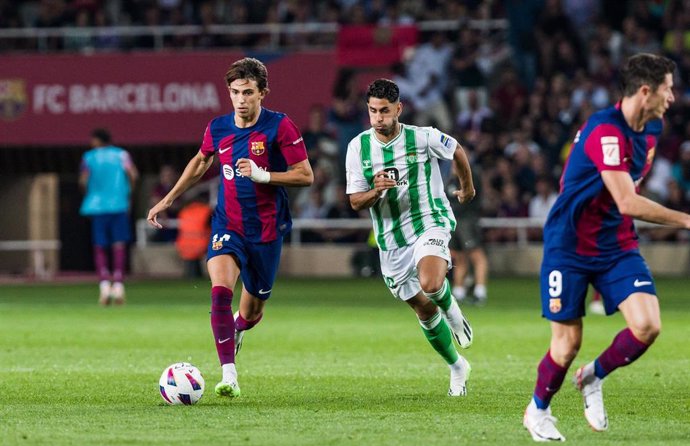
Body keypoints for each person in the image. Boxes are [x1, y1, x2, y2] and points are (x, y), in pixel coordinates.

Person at [523, 53, 690, 442]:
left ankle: (593, 376)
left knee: (648, 325)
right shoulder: (606, 131)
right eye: (667, 89)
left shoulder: (652, 128)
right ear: (646, 90)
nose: (672, 97)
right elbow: (628, 201)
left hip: (615, 242)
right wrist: (685, 219)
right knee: (566, 345)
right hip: (569, 243)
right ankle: (538, 411)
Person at [147, 57, 313, 398]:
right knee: (220, 290)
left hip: (266, 229)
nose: (241, 99)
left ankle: (239, 327)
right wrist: (169, 199)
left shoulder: (280, 127)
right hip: (228, 225)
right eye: (235, 92)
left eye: (248, 92)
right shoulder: (217, 128)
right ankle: (230, 374)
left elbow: (305, 175)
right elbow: (200, 162)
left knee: (252, 311)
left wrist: (263, 175)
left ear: (263, 93)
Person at [345, 79, 475, 396]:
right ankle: (457, 366)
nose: (379, 117)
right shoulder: (357, 148)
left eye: (385, 111)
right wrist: (376, 190)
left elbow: (455, 148)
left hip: (429, 219)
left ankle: (453, 309)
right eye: (373, 111)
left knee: (431, 284)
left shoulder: (422, 136)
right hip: (391, 240)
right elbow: (354, 201)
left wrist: (467, 187)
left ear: (398, 109)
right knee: (423, 309)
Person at [79, 128, 139, 305]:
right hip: (119, 204)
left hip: (97, 206)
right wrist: (128, 194)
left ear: (97, 140)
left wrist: (88, 194)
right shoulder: (122, 155)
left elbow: (83, 180)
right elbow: (133, 174)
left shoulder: (88, 157)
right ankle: (119, 285)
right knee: (119, 245)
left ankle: (104, 284)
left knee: (100, 246)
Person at [447, 160, 489, 305]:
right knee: (458, 257)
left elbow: (474, 197)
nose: (452, 166)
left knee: (476, 255)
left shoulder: (471, 176)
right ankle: (458, 292)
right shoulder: (451, 179)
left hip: (467, 221)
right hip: (454, 221)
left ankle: (480, 292)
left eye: (455, 163)